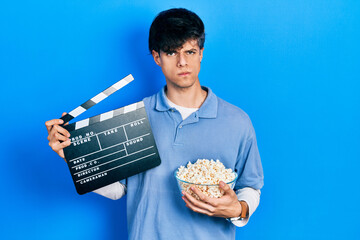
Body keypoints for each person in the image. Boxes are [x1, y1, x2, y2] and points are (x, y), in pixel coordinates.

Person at [45, 8, 264, 240]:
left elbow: (251, 185)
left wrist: (239, 210)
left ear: (201, 53)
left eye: (190, 51)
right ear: (157, 57)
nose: (182, 62)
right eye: (171, 53)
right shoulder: (134, 118)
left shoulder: (237, 121)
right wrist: (74, 155)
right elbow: (119, 189)